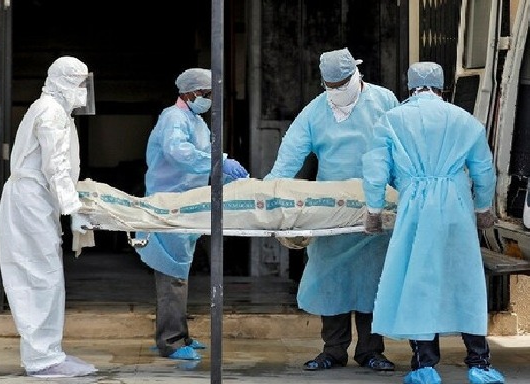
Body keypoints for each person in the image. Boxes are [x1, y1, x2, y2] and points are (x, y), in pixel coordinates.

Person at [362, 61, 505, 384]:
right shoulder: (464, 119)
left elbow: (375, 170)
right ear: (443, 87)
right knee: (465, 281)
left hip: (415, 208)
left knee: (419, 283)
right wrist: (483, 208)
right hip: (456, 207)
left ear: (409, 86)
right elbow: (483, 169)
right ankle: (479, 363)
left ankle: (425, 365)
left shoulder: (392, 120)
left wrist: (373, 210)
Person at [263, 48, 399, 371]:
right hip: (332, 211)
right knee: (331, 280)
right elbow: (289, 156)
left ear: (356, 74)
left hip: (374, 207)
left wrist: (402, 195)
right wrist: (269, 193)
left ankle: (371, 351)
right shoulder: (315, 112)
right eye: (331, 86)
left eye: (343, 84)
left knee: (372, 281)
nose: (338, 91)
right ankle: (333, 350)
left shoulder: (384, 101)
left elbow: (401, 148)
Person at [135, 67, 248, 361]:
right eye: (206, 94)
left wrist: (227, 173)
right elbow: (179, 153)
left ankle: (179, 335)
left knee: (179, 274)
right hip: (169, 205)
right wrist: (220, 161)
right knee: (171, 276)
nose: (209, 99)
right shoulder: (173, 118)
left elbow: (204, 156)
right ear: (190, 92)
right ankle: (170, 341)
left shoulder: (195, 121)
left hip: (186, 206)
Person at [0, 56, 97, 378]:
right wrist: (73, 209)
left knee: (45, 277)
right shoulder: (51, 113)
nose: (83, 91)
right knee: (39, 278)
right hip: (31, 202)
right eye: (79, 83)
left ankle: (49, 352)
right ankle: (43, 359)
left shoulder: (54, 111)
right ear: (65, 81)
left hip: (36, 201)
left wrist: (69, 205)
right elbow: (55, 167)